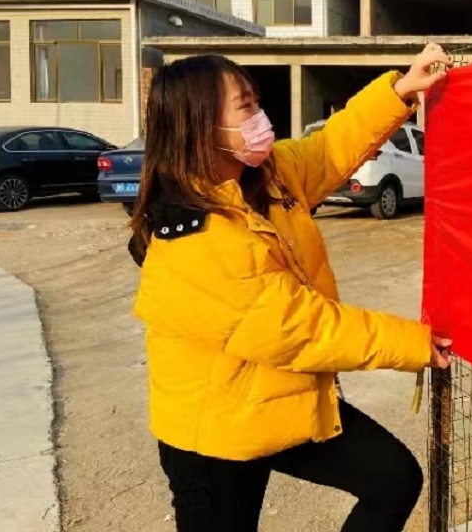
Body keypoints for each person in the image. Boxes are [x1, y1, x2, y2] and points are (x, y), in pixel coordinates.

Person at [128, 44, 454, 532]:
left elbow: (328, 149)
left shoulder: (265, 177)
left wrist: (401, 89)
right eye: (245, 107)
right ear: (200, 127)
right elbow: (300, 328)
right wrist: (412, 343)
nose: (261, 118)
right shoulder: (198, 237)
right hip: (215, 434)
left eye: (257, 102)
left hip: (276, 397)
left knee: (393, 479)